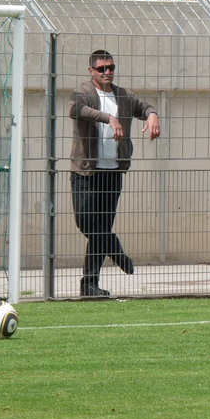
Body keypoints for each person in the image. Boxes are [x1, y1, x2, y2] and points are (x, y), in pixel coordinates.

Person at [69, 49, 160, 297]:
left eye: (111, 68)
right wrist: (109, 117)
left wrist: (152, 116)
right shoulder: (84, 93)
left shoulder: (123, 96)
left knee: (102, 226)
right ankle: (115, 248)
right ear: (92, 71)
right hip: (86, 172)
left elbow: (146, 106)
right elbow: (75, 109)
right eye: (102, 69)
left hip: (113, 173)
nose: (107, 72)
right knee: (86, 221)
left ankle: (90, 285)